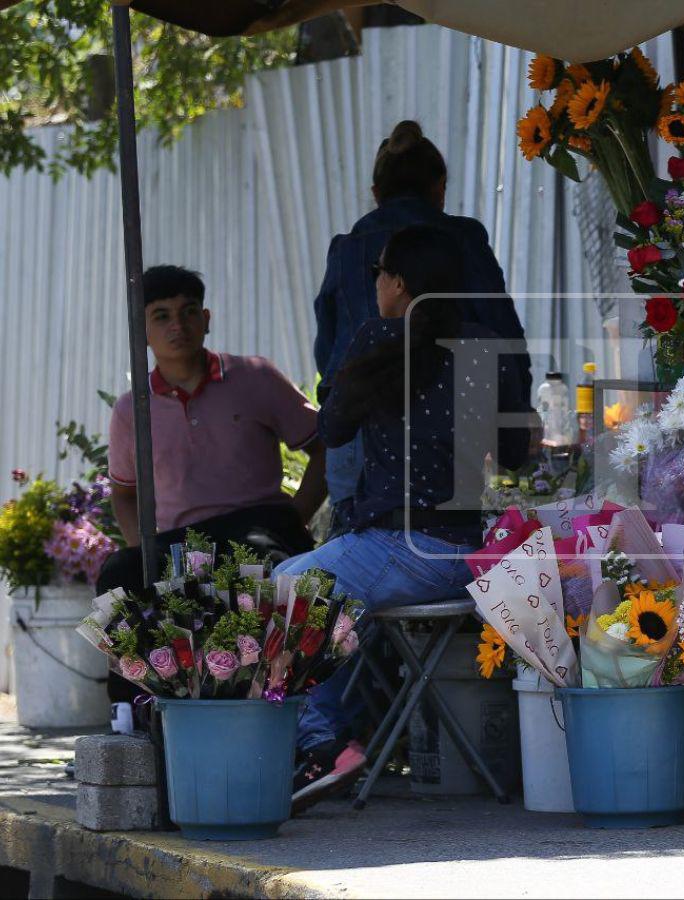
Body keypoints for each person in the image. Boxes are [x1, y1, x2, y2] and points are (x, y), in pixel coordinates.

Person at [280, 225, 532, 810]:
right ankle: (333, 734)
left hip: (400, 545)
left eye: (379, 275)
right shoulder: (482, 347)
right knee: (316, 592)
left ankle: (323, 743)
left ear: (397, 282)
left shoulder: (376, 337)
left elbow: (333, 427)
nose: (375, 286)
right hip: (465, 555)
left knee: (279, 592)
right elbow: (516, 455)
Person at [99, 266, 328, 701]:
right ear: (141, 329)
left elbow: (323, 447)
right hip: (180, 541)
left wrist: (297, 514)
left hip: (258, 526)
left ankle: (288, 710)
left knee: (260, 560)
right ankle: (134, 718)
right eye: (161, 316)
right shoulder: (133, 409)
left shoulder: (255, 376)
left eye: (187, 312)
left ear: (206, 319)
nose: (177, 326)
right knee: (119, 572)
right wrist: (143, 548)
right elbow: (124, 494)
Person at [313, 119, 532, 535]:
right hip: (445, 440)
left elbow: (328, 352)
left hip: (356, 427)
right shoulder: (463, 238)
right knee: (444, 546)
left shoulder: (346, 250)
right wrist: (513, 413)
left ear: (376, 194)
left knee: (356, 561)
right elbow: (503, 336)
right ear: (439, 188)